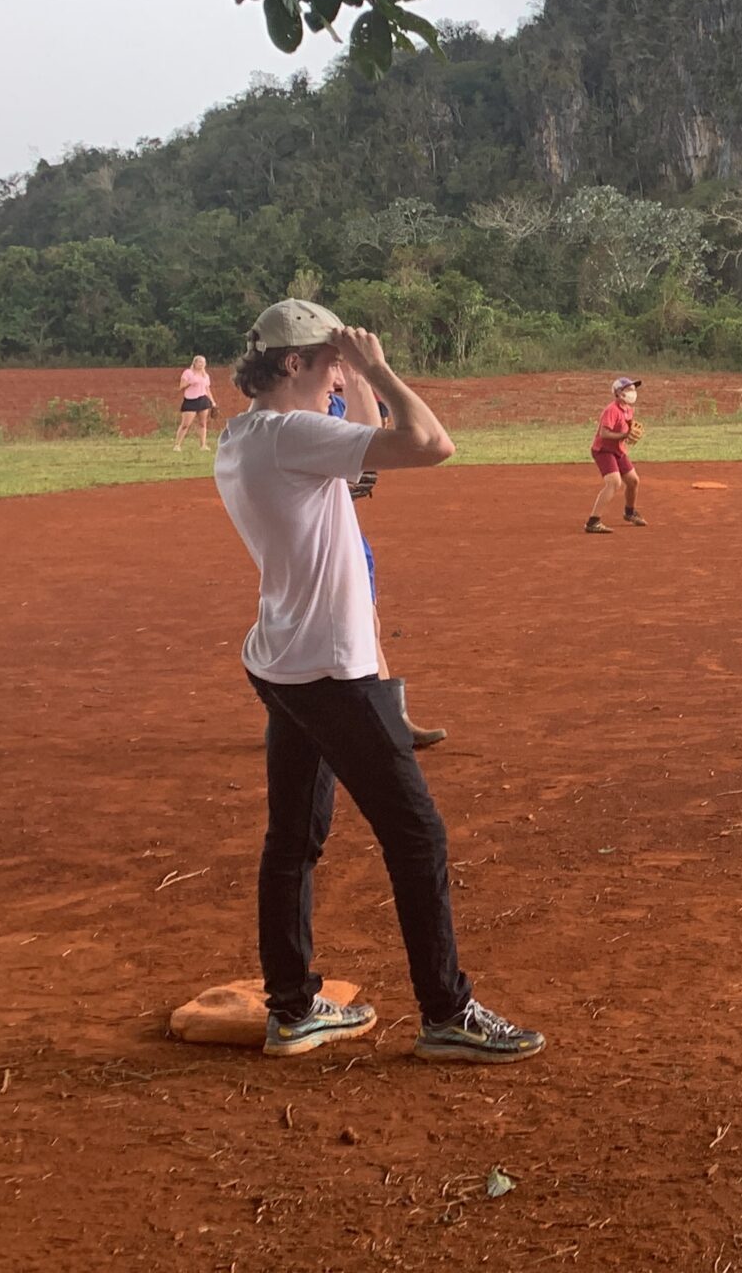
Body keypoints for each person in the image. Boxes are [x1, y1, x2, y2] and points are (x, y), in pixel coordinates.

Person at [214, 298, 543, 1063]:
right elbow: (433, 444)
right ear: (295, 364)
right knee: (416, 833)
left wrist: (351, 379)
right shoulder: (295, 435)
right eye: (329, 361)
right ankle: (446, 1011)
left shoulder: (248, 435)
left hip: (281, 661)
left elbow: (366, 466)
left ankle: (293, 1009)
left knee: (293, 839)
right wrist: (381, 369)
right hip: (331, 671)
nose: (340, 372)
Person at [328, 369, 444, 750]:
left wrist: (361, 377)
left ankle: (394, 721)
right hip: (323, 544)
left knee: (370, 626)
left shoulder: (337, 405)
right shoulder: (300, 419)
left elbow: (370, 445)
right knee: (327, 632)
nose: (337, 373)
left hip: (349, 537)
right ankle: (301, 722)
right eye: (333, 364)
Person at [585, 377, 647, 534]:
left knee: (633, 481)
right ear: (618, 393)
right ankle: (593, 521)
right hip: (603, 450)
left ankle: (629, 512)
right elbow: (604, 433)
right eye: (628, 389)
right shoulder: (611, 410)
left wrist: (629, 432)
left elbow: (627, 428)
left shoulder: (628, 409)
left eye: (633, 389)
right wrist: (624, 435)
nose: (632, 392)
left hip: (618, 450)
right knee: (614, 482)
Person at [175, 356, 217, 451]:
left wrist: (212, 401)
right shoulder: (188, 373)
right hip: (190, 400)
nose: (202, 364)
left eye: (203, 362)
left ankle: (203, 445)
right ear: (195, 363)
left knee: (203, 424)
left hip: (202, 399)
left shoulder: (205, 376)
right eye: (200, 362)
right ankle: (177, 445)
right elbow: (181, 386)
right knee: (185, 424)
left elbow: (207, 389)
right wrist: (190, 383)